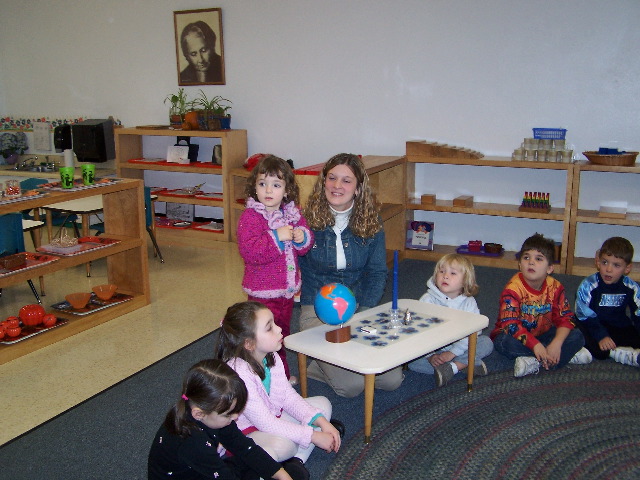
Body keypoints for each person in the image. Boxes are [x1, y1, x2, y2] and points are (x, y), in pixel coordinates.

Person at [298, 153, 403, 398]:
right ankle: (319, 359)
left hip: (356, 308)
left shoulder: (371, 220)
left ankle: (320, 361)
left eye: (346, 180)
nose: (337, 186)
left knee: (391, 380)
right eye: (332, 178)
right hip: (318, 310)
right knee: (352, 387)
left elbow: (377, 272)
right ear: (323, 182)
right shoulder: (305, 219)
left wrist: (364, 311)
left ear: (357, 188)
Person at [215, 302, 342, 477]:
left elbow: (287, 397)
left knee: (323, 405)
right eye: (269, 328)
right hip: (246, 432)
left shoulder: (271, 356)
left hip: (270, 418)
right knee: (284, 445)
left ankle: (294, 461)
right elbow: (265, 423)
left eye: (274, 323)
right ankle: (286, 460)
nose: (279, 329)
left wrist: (321, 422)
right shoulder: (239, 373)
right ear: (249, 344)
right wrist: (312, 435)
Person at [148, 359, 301, 480]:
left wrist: (281, 475)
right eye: (229, 414)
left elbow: (244, 447)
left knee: (260, 460)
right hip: (200, 470)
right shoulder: (192, 442)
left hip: (206, 466)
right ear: (199, 414)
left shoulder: (214, 413)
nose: (235, 417)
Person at [237, 155, 313, 382]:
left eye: (276, 185)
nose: (268, 190)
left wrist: (302, 237)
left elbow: (305, 246)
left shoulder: (292, 213)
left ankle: (280, 374)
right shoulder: (251, 217)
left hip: (286, 292)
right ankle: (262, 377)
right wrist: (276, 237)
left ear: (287, 189)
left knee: (281, 333)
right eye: (262, 184)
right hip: (262, 294)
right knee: (262, 338)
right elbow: (250, 252)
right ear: (254, 187)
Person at [490, 233, 591, 377]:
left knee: (577, 335)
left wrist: (556, 342)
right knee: (503, 343)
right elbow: (510, 325)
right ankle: (555, 357)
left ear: (550, 268)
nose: (531, 262)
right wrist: (535, 345)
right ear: (519, 264)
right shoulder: (512, 289)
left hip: (543, 333)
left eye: (538, 259)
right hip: (514, 336)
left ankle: (536, 360)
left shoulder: (555, 287)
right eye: (526, 258)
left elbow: (566, 318)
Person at [407, 254, 494, 386]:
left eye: (453, 273)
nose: (445, 276)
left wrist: (453, 353)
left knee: (486, 343)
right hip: (434, 348)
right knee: (412, 362)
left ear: (465, 281)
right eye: (441, 271)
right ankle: (467, 364)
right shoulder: (427, 300)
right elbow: (419, 332)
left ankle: (454, 367)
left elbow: (474, 330)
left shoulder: (469, 302)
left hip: (460, 347)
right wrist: (430, 356)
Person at [575, 237, 640, 367]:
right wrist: (601, 336)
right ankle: (615, 353)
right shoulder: (589, 285)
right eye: (605, 262)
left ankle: (618, 350)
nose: (608, 269)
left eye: (616, 265)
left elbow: (638, 314)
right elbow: (584, 314)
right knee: (587, 340)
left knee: (635, 339)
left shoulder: (631, 287)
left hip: (617, 325)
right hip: (592, 324)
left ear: (627, 268)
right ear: (598, 262)